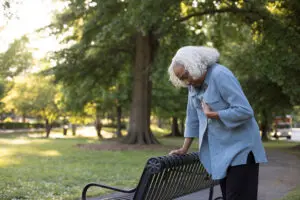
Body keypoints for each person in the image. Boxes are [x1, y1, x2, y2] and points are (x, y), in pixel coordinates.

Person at [168, 46, 267, 200]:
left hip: (241, 149)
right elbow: (192, 118)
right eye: (181, 79)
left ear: (196, 66)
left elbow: (245, 111)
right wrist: (184, 148)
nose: (186, 82)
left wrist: (213, 114)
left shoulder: (220, 75)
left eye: (186, 75)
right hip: (221, 153)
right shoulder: (193, 86)